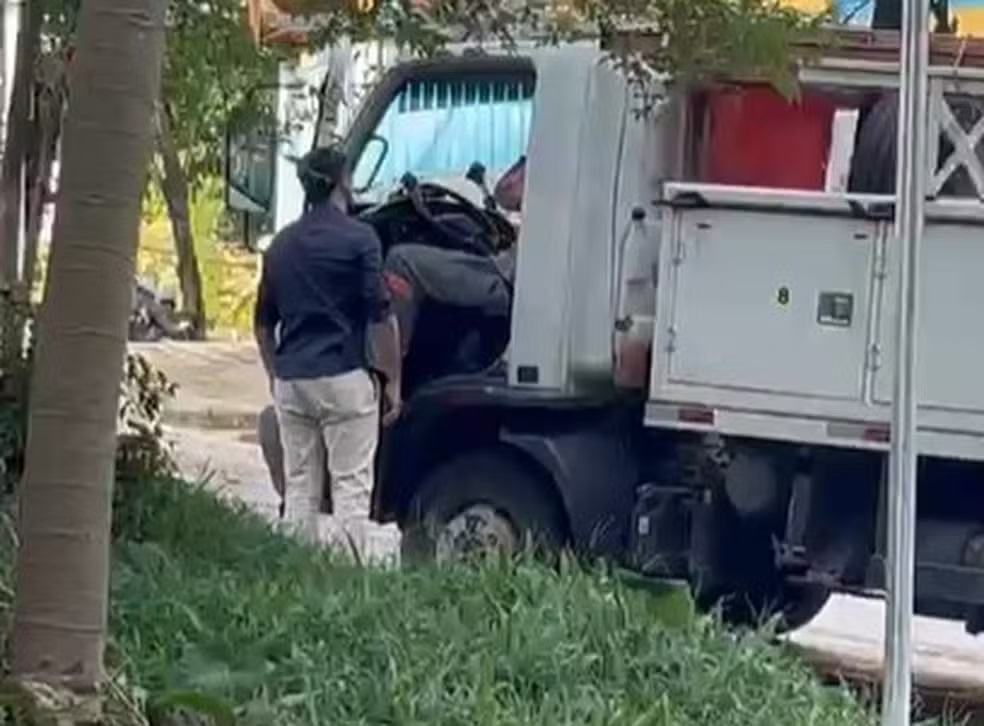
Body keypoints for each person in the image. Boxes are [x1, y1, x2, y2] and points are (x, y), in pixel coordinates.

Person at [253, 146, 402, 556]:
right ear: (344, 183)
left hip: (293, 381)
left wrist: (275, 375)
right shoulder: (360, 239)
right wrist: (394, 383)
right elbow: (382, 319)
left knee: (299, 487)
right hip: (344, 377)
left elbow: (263, 325)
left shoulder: (281, 245)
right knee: (351, 488)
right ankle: (346, 578)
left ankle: (296, 572)